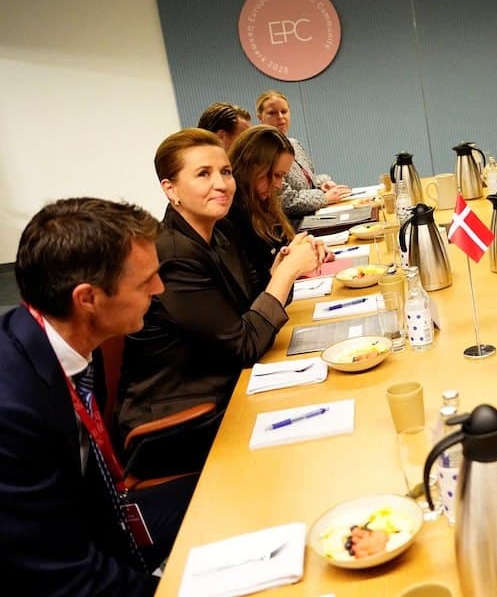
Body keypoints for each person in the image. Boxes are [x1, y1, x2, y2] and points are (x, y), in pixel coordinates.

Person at [0, 197, 197, 594]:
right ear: (87, 298)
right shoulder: (12, 412)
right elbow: (63, 575)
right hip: (55, 563)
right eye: (145, 282)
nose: (159, 289)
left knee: (222, 491)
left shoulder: (76, 343)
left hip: (105, 516)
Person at [118, 129, 320, 473]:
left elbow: (246, 310)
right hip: (184, 421)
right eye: (203, 174)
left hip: (228, 388)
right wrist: (285, 276)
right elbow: (243, 344)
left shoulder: (219, 232)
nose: (222, 184)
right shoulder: (172, 256)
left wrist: (280, 269)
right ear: (170, 189)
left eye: (225, 172)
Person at [227, 124, 331, 291]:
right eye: (276, 175)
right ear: (251, 167)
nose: (278, 185)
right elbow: (253, 289)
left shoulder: (264, 203)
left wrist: (305, 250)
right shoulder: (231, 216)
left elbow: (283, 248)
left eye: (282, 176)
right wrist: (289, 267)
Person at [255, 89, 351, 218]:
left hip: (314, 215)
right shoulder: (263, 153)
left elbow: (309, 180)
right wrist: (323, 197)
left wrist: (322, 184)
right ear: (260, 117)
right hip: (292, 224)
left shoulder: (294, 144)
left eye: (284, 111)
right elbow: (285, 201)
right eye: (272, 113)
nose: (280, 117)